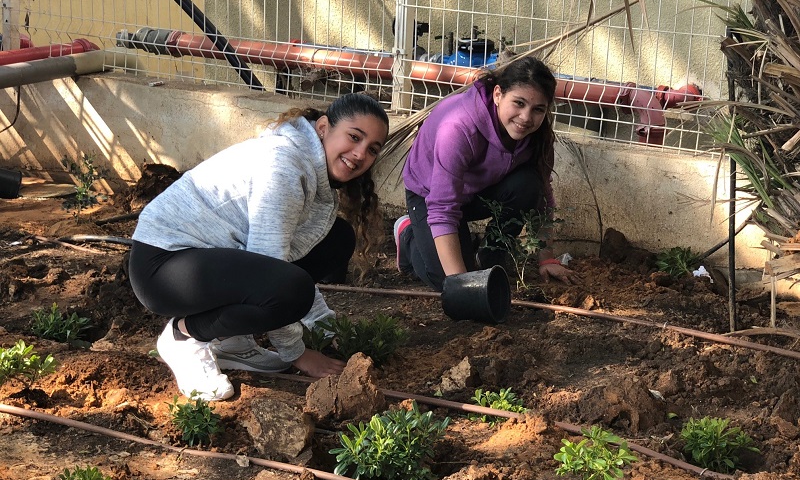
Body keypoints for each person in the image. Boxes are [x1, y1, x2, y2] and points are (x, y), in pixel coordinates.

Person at [128, 93, 389, 401]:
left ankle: (231, 342)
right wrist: (298, 354)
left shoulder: (310, 167)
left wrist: (324, 326)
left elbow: (286, 254)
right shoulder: (285, 167)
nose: (360, 154)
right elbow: (273, 269)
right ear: (323, 128)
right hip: (163, 268)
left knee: (336, 238)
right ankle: (184, 335)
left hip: (202, 260)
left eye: (372, 149)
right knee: (292, 292)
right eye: (354, 137)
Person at [395, 56, 579, 292]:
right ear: (498, 94)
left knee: (529, 184)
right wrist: (463, 286)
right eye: (519, 103)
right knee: (445, 280)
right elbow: (443, 208)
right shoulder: (458, 127)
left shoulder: (538, 135)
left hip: (477, 191)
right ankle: (409, 235)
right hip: (430, 196)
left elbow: (542, 194)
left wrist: (547, 258)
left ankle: (491, 257)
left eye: (538, 109)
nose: (525, 118)